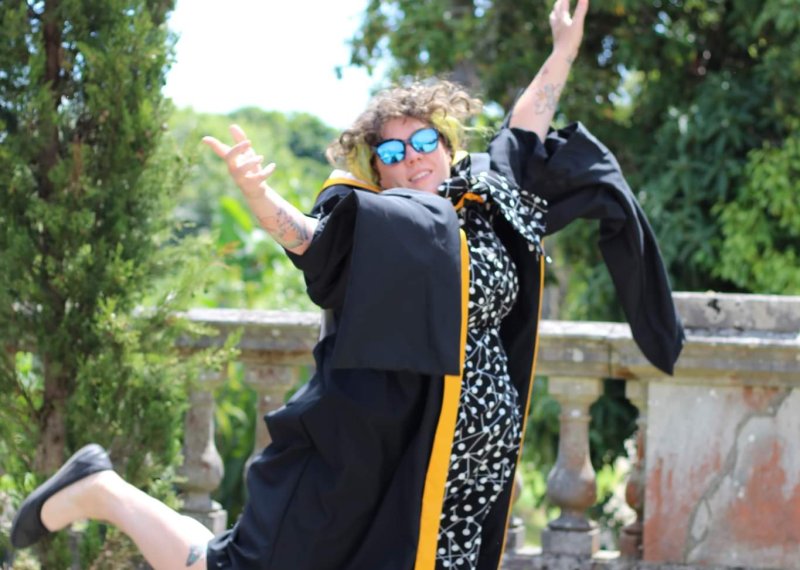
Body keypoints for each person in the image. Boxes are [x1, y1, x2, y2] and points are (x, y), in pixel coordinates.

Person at [9, 0, 683, 568]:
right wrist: (259, 197)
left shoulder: (490, 191)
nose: (412, 157)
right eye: (391, 152)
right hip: (388, 463)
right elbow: (311, 238)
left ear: (447, 145)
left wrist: (564, 50)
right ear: (377, 172)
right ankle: (102, 489)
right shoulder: (382, 227)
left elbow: (528, 120)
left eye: (424, 141)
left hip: (472, 472)